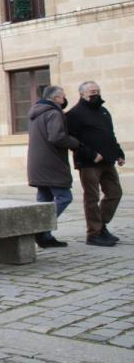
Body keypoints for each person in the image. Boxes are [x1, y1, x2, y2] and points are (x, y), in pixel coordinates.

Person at [26, 85, 88, 248]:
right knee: (64, 197)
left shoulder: (36, 112)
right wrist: (76, 143)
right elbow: (57, 137)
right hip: (51, 163)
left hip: (38, 164)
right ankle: (40, 229)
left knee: (44, 200)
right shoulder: (53, 113)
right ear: (55, 98)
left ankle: (45, 237)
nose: (64, 99)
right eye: (63, 97)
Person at [66, 81, 124, 247]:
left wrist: (119, 153)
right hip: (88, 163)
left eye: (97, 90)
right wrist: (91, 154)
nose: (96, 93)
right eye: (92, 91)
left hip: (108, 161)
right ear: (82, 94)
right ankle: (93, 234)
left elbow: (110, 135)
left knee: (115, 193)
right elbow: (71, 140)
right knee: (92, 197)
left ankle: (100, 226)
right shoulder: (74, 114)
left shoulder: (104, 111)